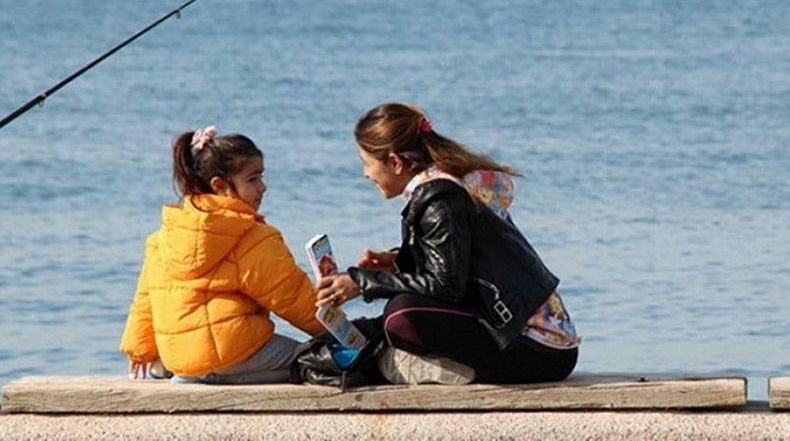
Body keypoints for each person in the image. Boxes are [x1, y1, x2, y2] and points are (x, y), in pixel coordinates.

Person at [316, 102, 580, 384]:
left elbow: (445, 287)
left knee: (400, 315)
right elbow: (459, 262)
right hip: (541, 343)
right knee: (386, 319)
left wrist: (361, 282)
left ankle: (438, 371)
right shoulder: (448, 184)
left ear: (395, 162)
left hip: (535, 349)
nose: (365, 174)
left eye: (367, 163)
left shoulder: (441, 198)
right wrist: (397, 262)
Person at [120, 126, 323, 384]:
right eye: (253, 179)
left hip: (181, 358)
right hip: (234, 353)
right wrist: (347, 337)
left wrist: (140, 349)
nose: (263, 187)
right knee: (319, 361)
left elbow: (146, 298)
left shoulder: (164, 236)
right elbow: (296, 300)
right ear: (220, 186)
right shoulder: (251, 236)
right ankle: (218, 377)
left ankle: (194, 375)